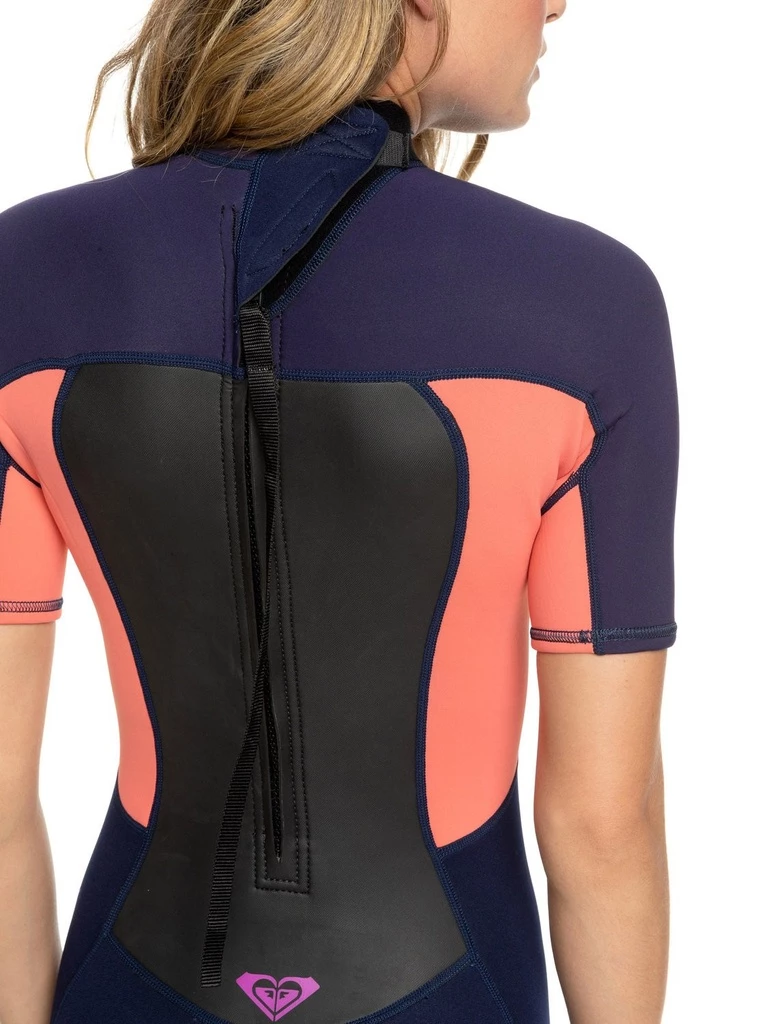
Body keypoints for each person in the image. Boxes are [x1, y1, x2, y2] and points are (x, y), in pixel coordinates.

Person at [0, 0, 679, 1022]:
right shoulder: (583, 302)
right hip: (451, 987)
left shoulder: (25, 272)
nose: (555, 3)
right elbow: (599, 825)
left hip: (131, 977)